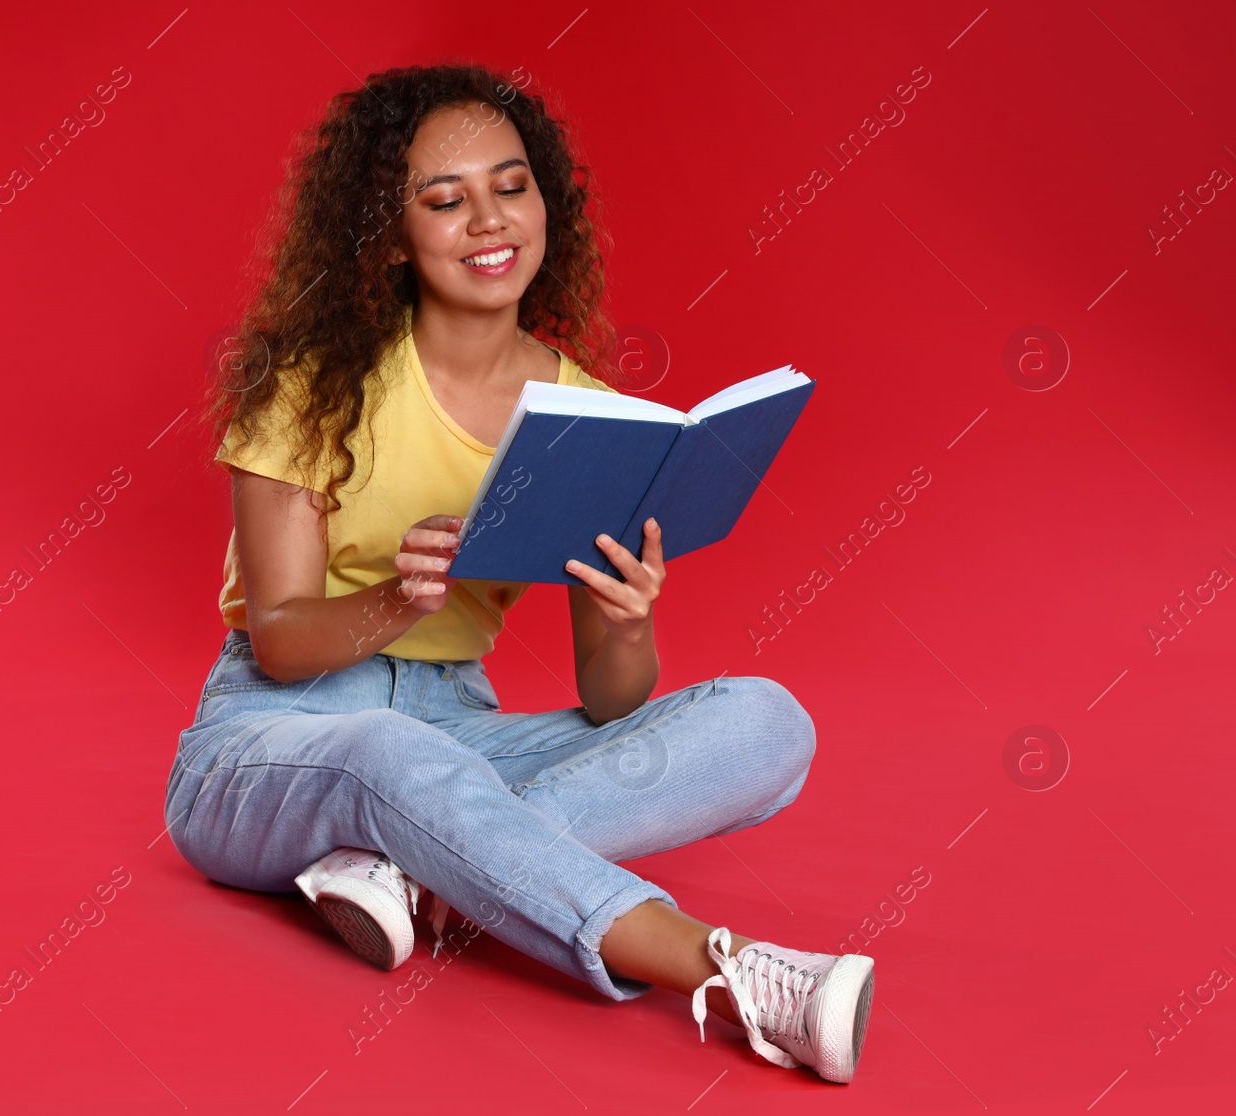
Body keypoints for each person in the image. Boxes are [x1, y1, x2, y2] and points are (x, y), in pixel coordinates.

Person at [166, 63, 875, 1084]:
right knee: (386, 756)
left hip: (458, 726)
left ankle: (417, 864)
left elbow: (607, 702)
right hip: (276, 737)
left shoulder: (583, 411)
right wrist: (391, 602)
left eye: (510, 186)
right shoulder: (312, 386)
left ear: (546, 200)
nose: (486, 221)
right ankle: (732, 972)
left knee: (767, 722)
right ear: (389, 229)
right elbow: (277, 640)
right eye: (443, 200)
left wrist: (627, 618)